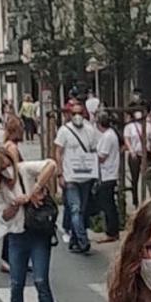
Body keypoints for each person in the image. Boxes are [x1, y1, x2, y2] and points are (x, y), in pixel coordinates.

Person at [0, 140, 60, 302]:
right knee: (16, 284)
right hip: (16, 236)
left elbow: (51, 164)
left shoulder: (24, 170)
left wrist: (35, 189)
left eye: (8, 164)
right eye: (2, 168)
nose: (7, 170)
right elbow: (3, 217)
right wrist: (15, 204)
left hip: (38, 233)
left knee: (41, 280)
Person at [55, 98, 100, 255]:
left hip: (86, 178)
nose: (77, 116)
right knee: (75, 209)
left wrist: (96, 173)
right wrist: (60, 174)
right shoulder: (64, 131)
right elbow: (58, 152)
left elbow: (94, 151)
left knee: (82, 211)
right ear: (70, 115)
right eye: (74, 113)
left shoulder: (90, 130)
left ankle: (74, 241)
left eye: (80, 113)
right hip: (71, 178)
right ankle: (83, 241)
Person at [95, 111, 122, 241]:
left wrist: (91, 157)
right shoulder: (110, 134)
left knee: (107, 205)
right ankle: (112, 230)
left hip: (107, 173)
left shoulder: (107, 136)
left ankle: (112, 232)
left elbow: (102, 156)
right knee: (108, 203)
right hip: (108, 173)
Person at [123, 108, 149, 206]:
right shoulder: (129, 127)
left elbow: (150, 140)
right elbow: (127, 139)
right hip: (134, 154)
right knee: (135, 178)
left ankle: (148, 198)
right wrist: (131, 150)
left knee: (148, 177)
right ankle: (136, 200)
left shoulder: (148, 125)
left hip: (145, 153)